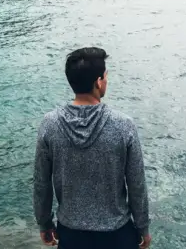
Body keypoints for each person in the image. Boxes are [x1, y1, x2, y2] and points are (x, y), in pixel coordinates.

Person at [33, 47, 151, 248]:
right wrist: (143, 227)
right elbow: (136, 184)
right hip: (117, 234)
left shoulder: (49, 125)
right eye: (105, 76)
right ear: (98, 82)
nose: (106, 80)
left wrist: (44, 223)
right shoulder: (124, 125)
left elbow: (41, 183)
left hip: (71, 234)